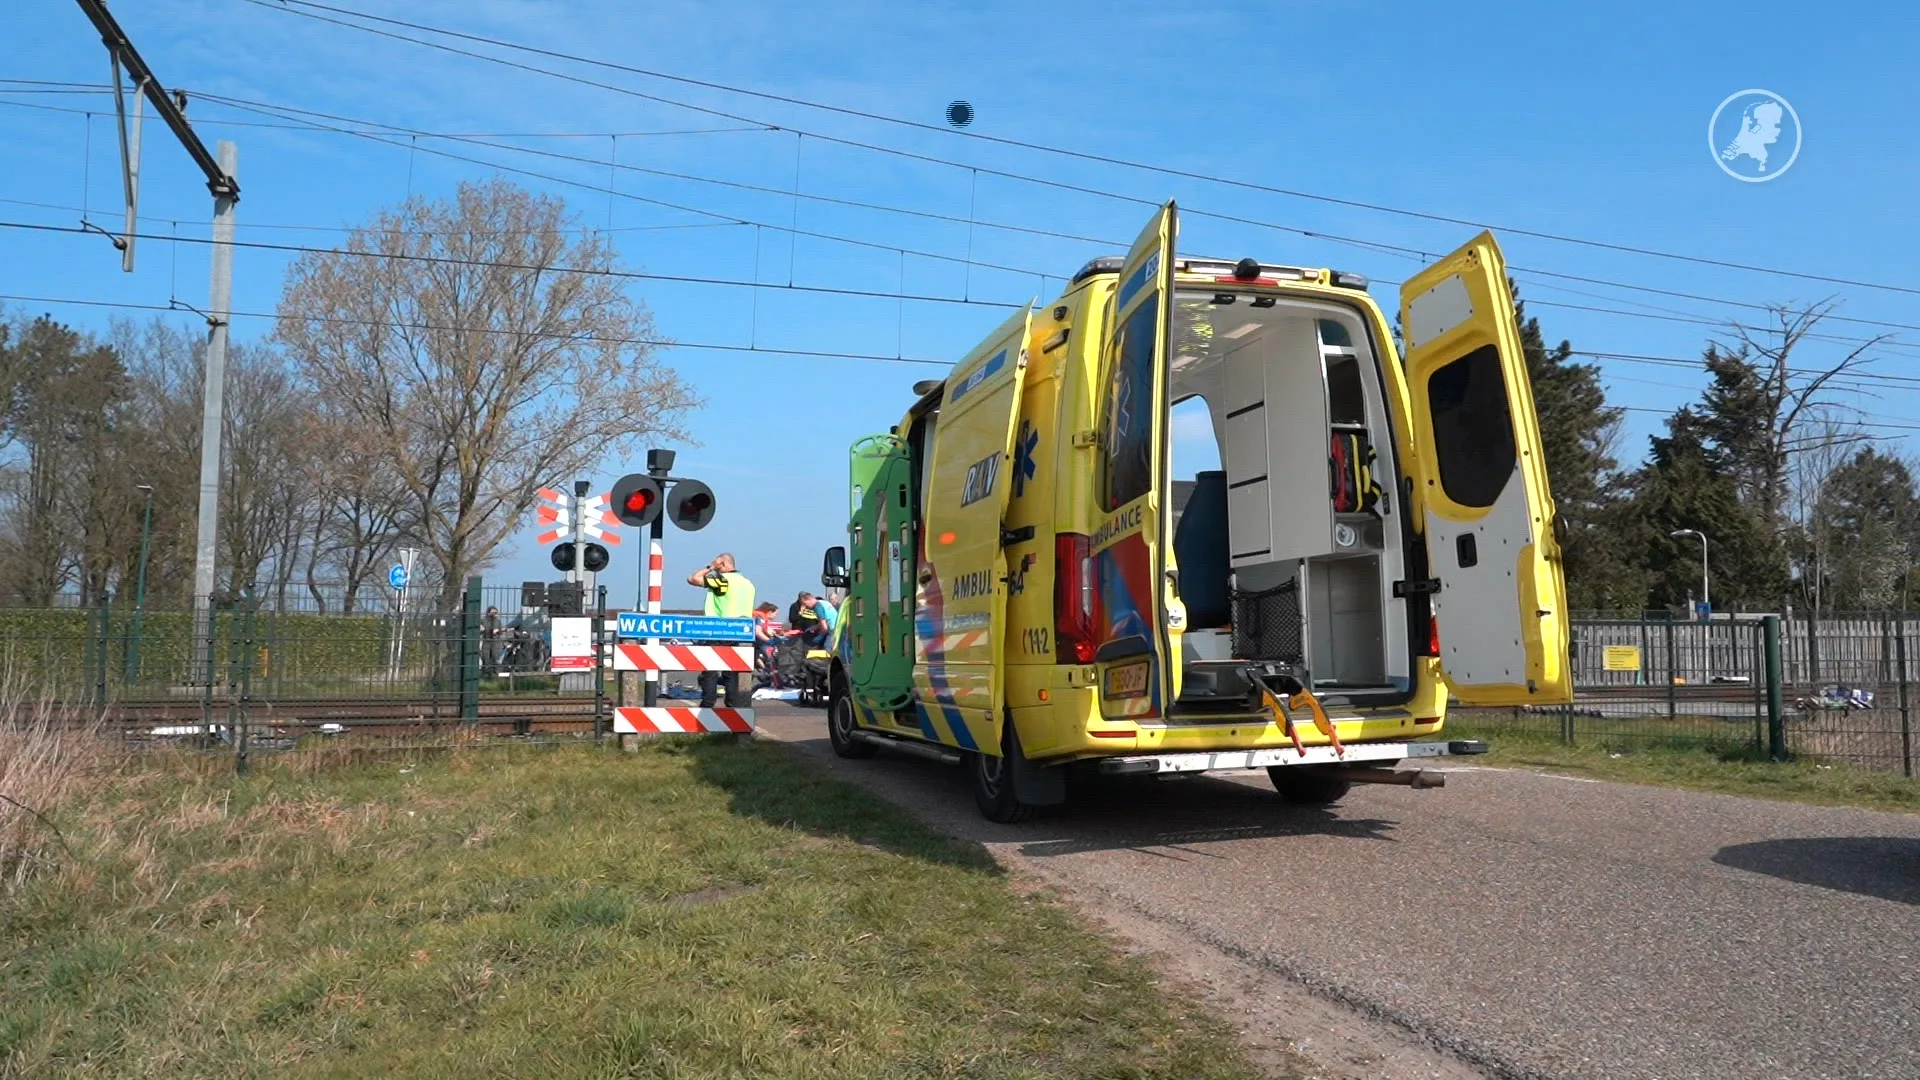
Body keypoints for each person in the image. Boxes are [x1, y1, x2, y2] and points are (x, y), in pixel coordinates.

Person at [687, 552, 756, 708]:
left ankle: (707, 706)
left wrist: (710, 567)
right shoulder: (747, 584)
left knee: (710, 671)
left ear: (723, 564)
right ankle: (733, 707)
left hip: (719, 629)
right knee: (731, 673)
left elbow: (692, 579)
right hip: (741, 632)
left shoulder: (723, 580)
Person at [751, 601, 782, 687]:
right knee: (770, 657)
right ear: (769, 612)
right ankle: (777, 683)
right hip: (754, 641)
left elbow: (767, 629)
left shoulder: (761, 616)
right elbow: (758, 632)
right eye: (775, 613)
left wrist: (777, 635)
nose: (776, 616)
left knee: (755, 659)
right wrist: (770, 641)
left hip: (752, 642)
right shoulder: (760, 617)